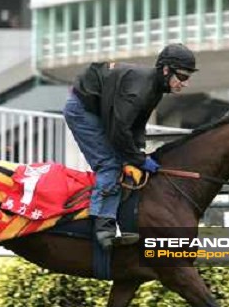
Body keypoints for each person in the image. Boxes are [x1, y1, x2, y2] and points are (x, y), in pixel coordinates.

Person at [63, 43, 198, 249]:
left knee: (124, 160)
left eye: (188, 77)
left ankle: (118, 217)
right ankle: (102, 227)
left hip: (99, 107)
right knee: (110, 165)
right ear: (165, 70)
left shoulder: (154, 89)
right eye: (183, 77)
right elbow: (119, 131)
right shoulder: (140, 90)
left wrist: (139, 153)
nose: (185, 83)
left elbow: (137, 125)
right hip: (82, 110)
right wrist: (138, 159)